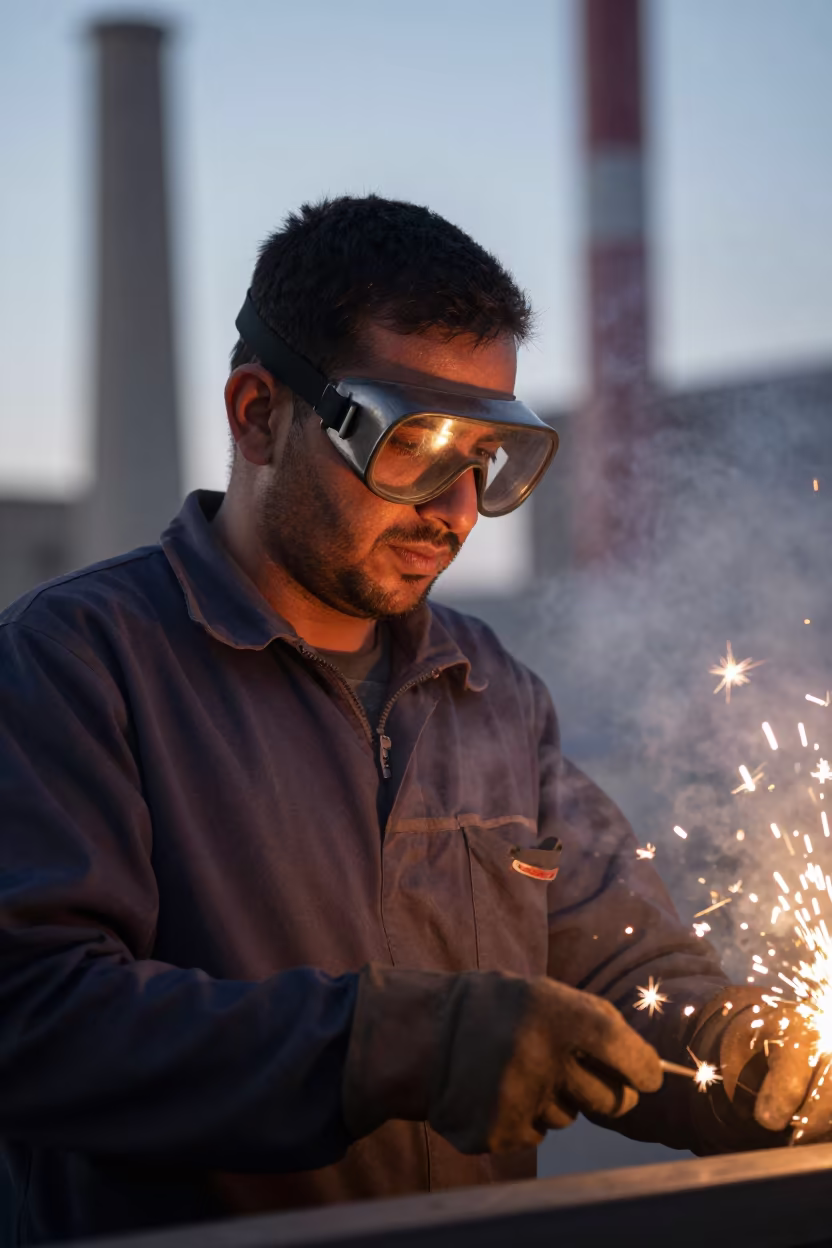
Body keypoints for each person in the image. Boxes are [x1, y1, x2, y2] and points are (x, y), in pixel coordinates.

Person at [0, 196, 823, 1245]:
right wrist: (389, 1043)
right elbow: (31, 1018)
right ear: (259, 414)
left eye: (489, 457)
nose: (457, 509)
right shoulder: (77, 667)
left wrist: (735, 1046)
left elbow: (618, 971)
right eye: (416, 444)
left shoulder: (489, 691)